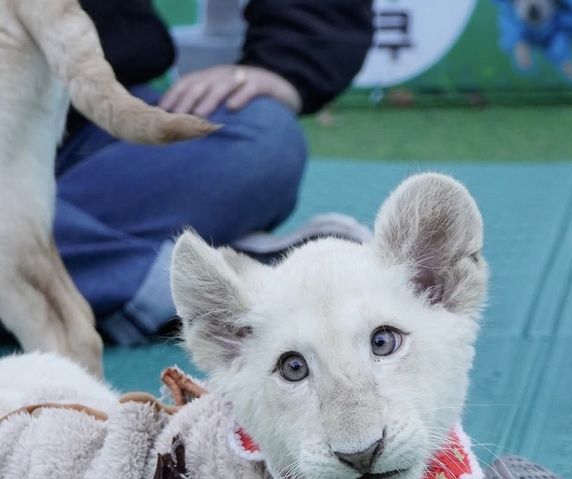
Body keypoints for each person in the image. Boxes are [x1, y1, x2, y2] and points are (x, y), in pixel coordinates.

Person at [55, 0, 374, 345]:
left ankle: (69, 262)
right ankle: (194, 289)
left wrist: (285, 62)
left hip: (86, 114)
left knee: (263, 139)